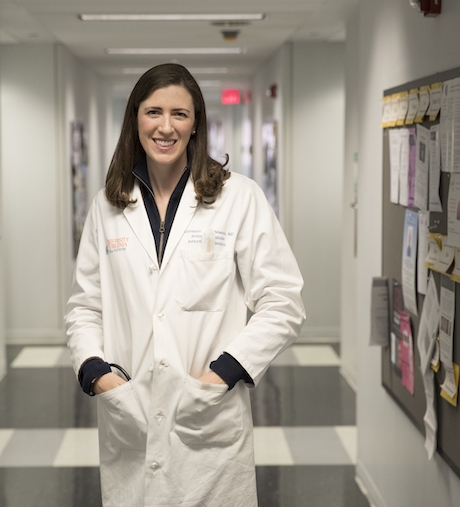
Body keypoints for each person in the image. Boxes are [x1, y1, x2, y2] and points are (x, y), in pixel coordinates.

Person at [65, 63, 305, 507]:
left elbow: (283, 302)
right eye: (154, 112)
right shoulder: (108, 204)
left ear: (196, 124)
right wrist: (96, 373)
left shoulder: (239, 197)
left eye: (180, 114)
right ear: (135, 119)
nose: (166, 127)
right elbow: (85, 306)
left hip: (207, 418)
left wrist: (224, 372)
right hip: (129, 414)